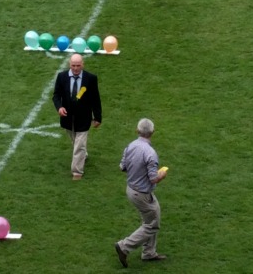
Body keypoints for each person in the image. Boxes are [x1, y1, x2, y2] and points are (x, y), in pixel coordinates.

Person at [114, 118, 168, 268]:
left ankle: (149, 252)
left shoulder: (130, 146)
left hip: (131, 190)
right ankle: (124, 246)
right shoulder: (150, 153)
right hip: (142, 194)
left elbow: (122, 167)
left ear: (137, 131)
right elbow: (153, 179)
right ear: (152, 133)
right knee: (152, 225)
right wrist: (161, 175)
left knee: (154, 215)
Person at [52, 53, 102, 180]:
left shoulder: (90, 78)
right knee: (76, 142)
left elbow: (95, 99)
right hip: (67, 117)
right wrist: (59, 108)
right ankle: (83, 155)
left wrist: (97, 117)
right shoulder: (62, 77)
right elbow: (56, 95)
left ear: (82, 65)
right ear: (70, 64)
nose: (75, 68)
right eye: (73, 65)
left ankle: (77, 171)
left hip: (84, 118)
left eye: (78, 66)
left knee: (79, 145)